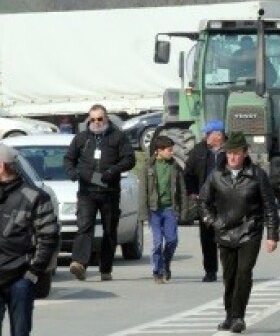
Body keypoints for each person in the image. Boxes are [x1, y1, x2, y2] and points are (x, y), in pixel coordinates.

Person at [201, 131, 279, 334]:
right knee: (229, 276)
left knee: (244, 274)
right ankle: (229, 315)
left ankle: (238, 317)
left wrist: (272, 235)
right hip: (224, 232)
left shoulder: (257, 175)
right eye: (229, 153)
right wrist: (213, 221)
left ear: (245, 153)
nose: (233, 157)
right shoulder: (216, 176)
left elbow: (269, 207)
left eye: (237, 153)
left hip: (249, 231)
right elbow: (204, 203)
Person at [64, 104, 136, 282]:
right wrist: (72, 173)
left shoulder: (118, 136)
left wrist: (113, 170)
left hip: (109, 191)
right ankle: (79, 263)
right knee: (84, 227)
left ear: (106, 119)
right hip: (87, 192)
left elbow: (130, 159)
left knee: (109, 231)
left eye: (100, 119)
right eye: (93, 119)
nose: (96, 122)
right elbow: (68, 158)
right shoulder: (81, 138)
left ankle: (105, 268)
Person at [0, 143, 60, 336]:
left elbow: (49, 236)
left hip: (20, 279)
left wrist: (33, 273)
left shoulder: (35, 197)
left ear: (1, 166)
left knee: (20, 331)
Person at [184, 119, 227, 282]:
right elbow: (188, 172)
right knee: (207, 237)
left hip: (226, 200)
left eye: (208, 134)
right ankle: (210, 271)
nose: (205, 137)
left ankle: (229, 269)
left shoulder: (232, 151)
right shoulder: (199, 150)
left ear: (219, 135)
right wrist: (193, 191)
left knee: (226, 236)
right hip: (206, 200)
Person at [141, 135, 187, 284]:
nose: (171, 153)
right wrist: (143, 213)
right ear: (158, 151)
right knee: (157, 243)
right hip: (154, 210)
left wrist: (184, 210)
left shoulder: (175, 167)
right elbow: (143, 191)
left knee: (172, 240)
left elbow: (182, 190)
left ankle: (166, 262)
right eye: (169, 150)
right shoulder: (148, 167)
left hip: (169, 209)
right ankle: (157, 271)